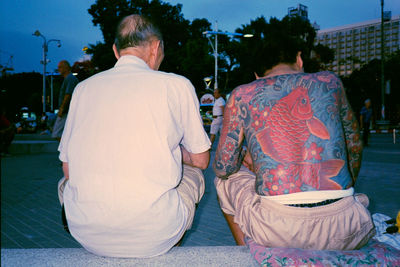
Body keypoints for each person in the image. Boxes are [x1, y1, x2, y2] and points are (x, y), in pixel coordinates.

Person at [57, 14, 211, 258]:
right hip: (155, 234)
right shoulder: (176, 85)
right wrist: (170, 149)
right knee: (192, 172)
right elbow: (202, 160)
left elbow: (68, 171)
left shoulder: (83, 89)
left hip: (87, 235)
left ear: (116, 51)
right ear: (155, 47)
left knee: (65, 184)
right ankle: (170, 241)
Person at [213, 33, 375, 250]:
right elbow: (354, 146)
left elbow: (224, 167)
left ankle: (254, 255)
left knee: (223, 182)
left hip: (277, 230)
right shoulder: (331, 82)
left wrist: (246, 156)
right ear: (299, 59)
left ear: (256, 74)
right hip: (344, 226)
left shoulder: (242, 94)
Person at [51, 60, 79, 141]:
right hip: (68, 111)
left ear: (66, 68)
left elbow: (68, 94)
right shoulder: (70, 78)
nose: (58, 69)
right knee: (64, 133)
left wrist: (62, 109)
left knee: (56, 133)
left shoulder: (70, 78)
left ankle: (66, 150)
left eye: (60, 67)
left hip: (66, 111)